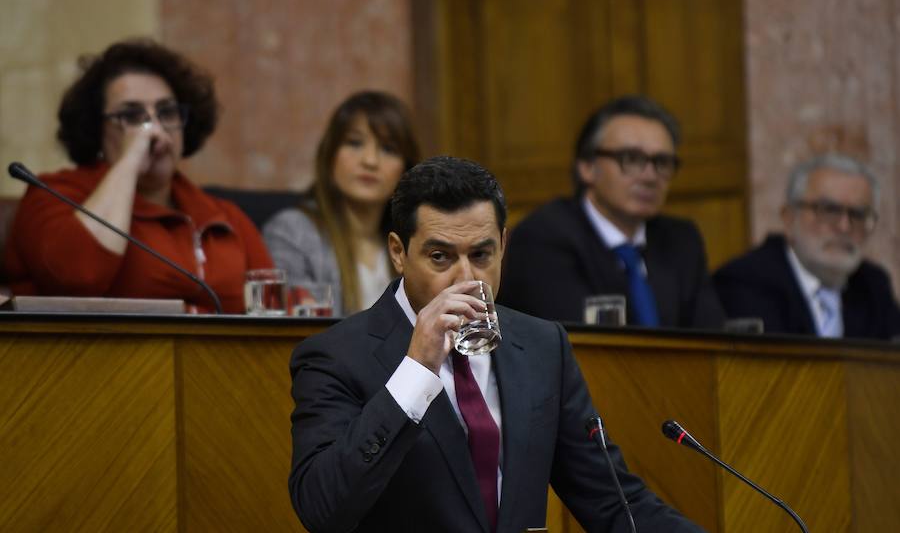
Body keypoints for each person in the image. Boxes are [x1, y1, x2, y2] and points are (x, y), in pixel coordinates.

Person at [288, 156, 703, 532]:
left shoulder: (543, 347)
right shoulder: (337, 356)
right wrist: (415, 369)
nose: (465, 278)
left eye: (482, 255)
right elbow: (323, 509)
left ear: (503, 246)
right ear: (399, 253)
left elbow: (614, 503)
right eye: (439, 257)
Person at [3, 39, 273, 313]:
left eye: (167, 112)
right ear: (97, 129)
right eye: (132, 116)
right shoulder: (54, 194)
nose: (154, 129)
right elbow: (80, 276)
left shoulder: (222, 216)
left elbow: (271, 304)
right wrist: (130, 159)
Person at [499, 95, 725, 328]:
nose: (649, 176)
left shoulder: (682, 239)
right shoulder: (543, 238)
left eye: (662, 162)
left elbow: (712, 340)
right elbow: (578, 343)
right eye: (631, 159)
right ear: (587, 167)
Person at [263, 91, 420, 316]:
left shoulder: (412, 241)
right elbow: (293, 332)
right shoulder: (292, 233)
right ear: (330, 155)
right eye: (354, 143)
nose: (370, 161)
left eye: (388, 149)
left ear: (406, 168)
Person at [714, 154, 900, 339]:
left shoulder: (873, 285)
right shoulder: (744, 282)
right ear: (789, 219)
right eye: (829, 210)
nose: (844, 226)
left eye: (858, 214)